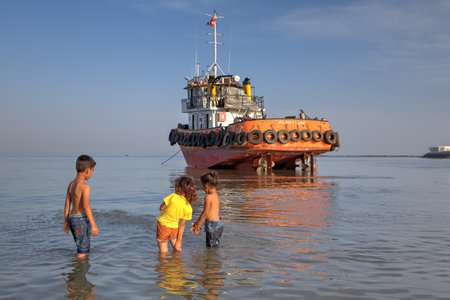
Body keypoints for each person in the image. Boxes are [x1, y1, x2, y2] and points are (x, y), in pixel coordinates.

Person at [64, 155, 99, 259]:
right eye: (92, 171)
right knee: (83, 251)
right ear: (88, 170)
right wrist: (93, 224)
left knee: (81, 247)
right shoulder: (85, 187)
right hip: (81, 220)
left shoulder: (71, 184)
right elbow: (86, 206)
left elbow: (67, 204)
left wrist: (66, 221)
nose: (92, 174)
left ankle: (79, 271)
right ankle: (79, 272)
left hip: (72, 219)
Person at [157, 176, 197, 252]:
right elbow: (182, 225)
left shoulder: (173, 196)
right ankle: (179, 261)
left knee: (163, 250)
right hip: (175, 228)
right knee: (176, 246)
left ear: (179, 188)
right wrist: (179, 241)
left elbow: (161, 208)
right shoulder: (188, 206)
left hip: (163, 225)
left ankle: (163, 263)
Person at [191, 171, 223, 247]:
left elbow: (205, 213)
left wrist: (198, 224)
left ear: (207, 185)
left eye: (202, 186)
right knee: (215, 245)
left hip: (212, 225)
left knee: (210, 247)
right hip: (219, 224)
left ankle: (210, 259)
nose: (203, 189)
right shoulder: (215, 194)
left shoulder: (208, 197)